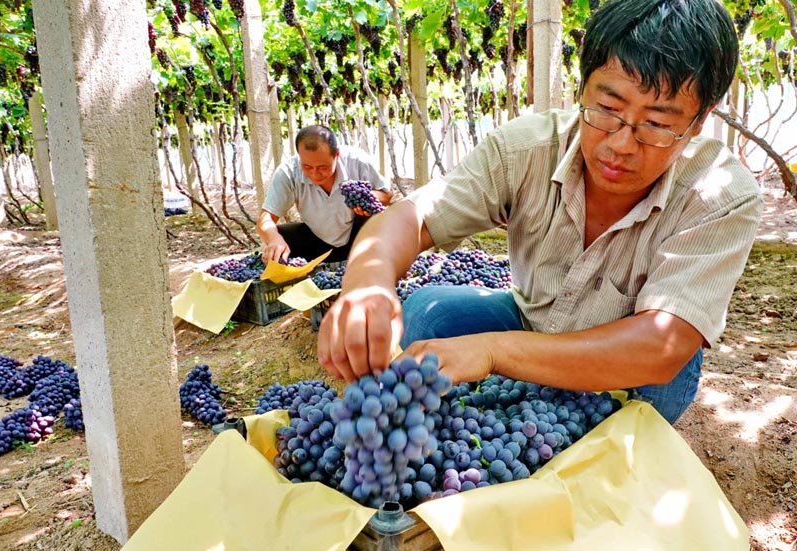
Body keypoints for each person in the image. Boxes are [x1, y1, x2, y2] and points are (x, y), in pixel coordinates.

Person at [316, 0, 763, 424]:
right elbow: (410, 217)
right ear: (582, 87)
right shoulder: (524, 150)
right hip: (533, 323)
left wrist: (494, 352)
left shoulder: (719, 194)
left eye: (658, 125)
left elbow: (661, 348)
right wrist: (366, 284)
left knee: (649, 395)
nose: (621, 144)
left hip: (633, 357)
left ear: (699, 121)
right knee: (428, 316)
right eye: (607, 109)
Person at [256, 125, 392, 263]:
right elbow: (265, 219)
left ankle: (375, 258)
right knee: (277, 236)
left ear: (337, 155)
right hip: (316, 241)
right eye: (307, 167)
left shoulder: (357, 162)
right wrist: (274, 239)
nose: (314, 174)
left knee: (381, 218)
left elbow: (387, 195)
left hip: (358, 237)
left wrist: (368, 198)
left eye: (323, 167)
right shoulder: (288, 172)